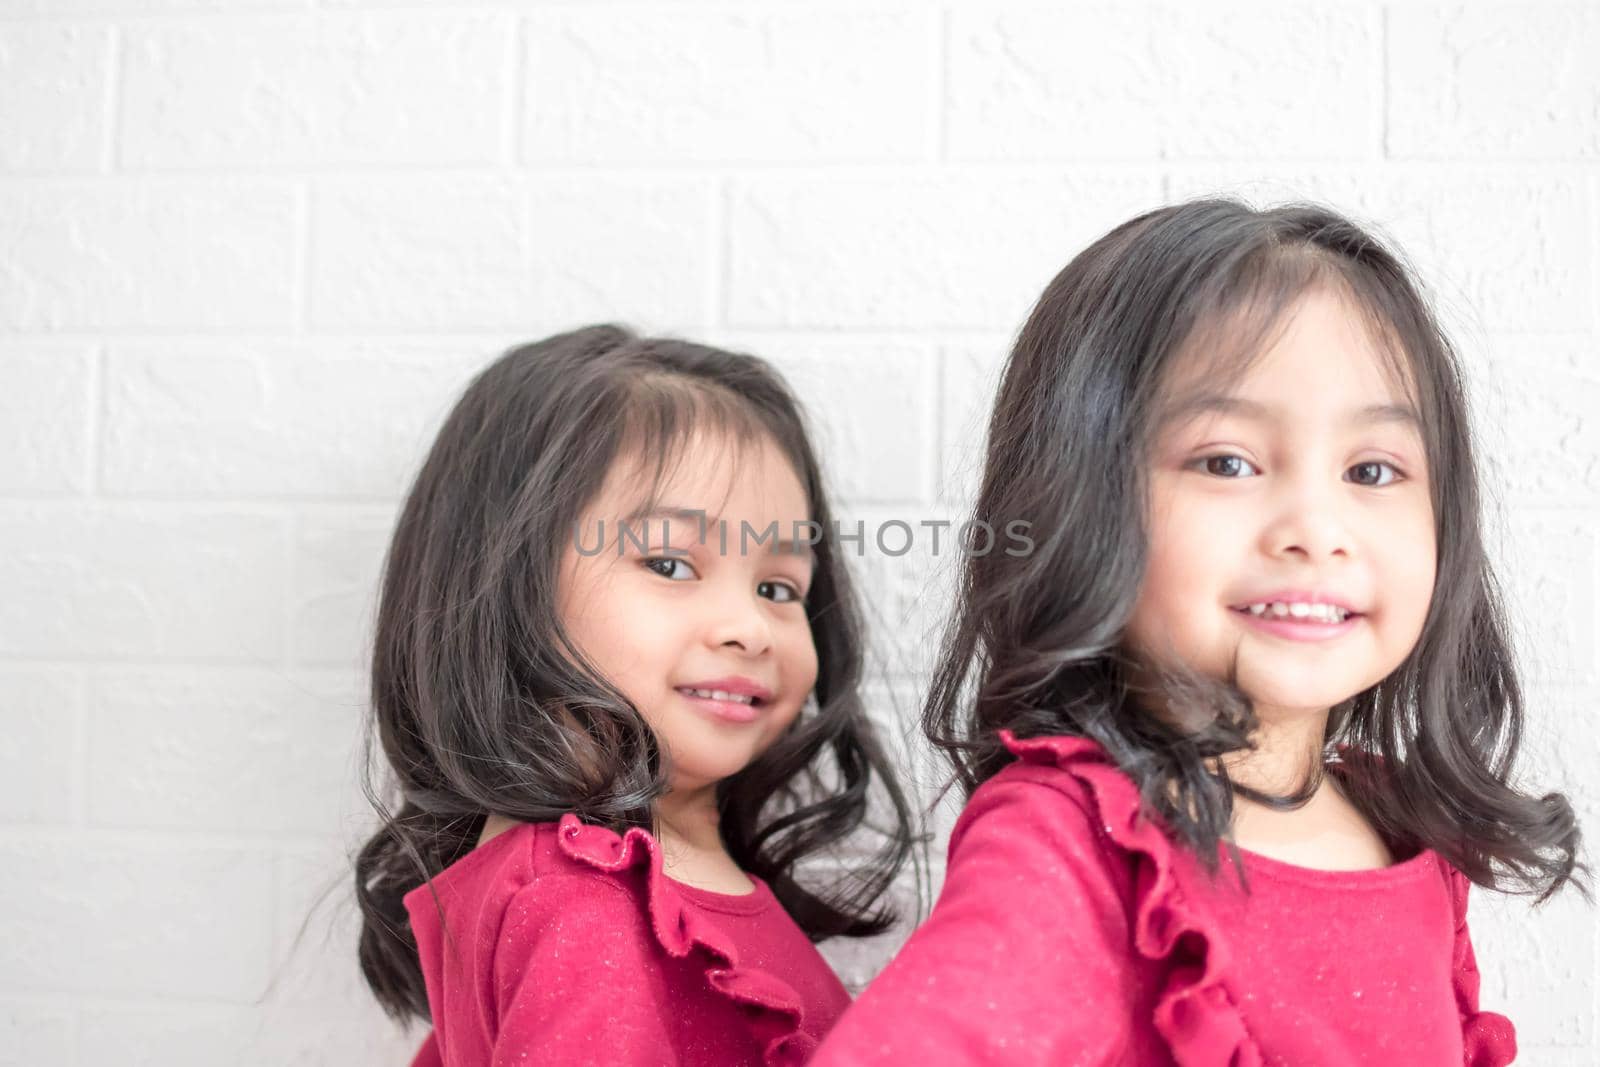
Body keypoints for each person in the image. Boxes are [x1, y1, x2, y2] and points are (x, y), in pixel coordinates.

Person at [812, 199, 1588, 1065]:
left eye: (1373, 469)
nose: (1316, 528)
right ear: (1079, 502)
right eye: (1228, 462)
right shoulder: (1068, 841)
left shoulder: (1409, 836)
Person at [352, 325, 916, 1066]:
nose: (751, 627)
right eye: (673, 564)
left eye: (779, 587)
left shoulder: (608, 885)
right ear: (506, 585)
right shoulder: (576, 903)